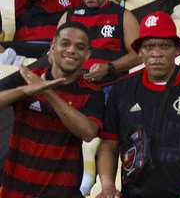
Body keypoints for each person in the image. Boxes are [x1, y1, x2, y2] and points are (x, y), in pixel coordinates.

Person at [96, 12, 180, 198]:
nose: (156, 53)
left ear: (177, 49)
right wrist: (107, 187)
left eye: (164, 46)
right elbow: (108, 145)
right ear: (139, 52)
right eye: (148, 46)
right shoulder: (122, 88)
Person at [0, 22, 104, 197]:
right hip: (16, 189)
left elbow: (88, 132)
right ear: (53, 48)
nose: (71, 50)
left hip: (61, 192)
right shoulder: (27, 77)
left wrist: (48, 93)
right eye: (65, 43)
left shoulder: (92, 92)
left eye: (79, 47)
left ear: (87, 55)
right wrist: (23, 91)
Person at [56, 0, 140, 95]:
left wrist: (109, 68)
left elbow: (139, 54)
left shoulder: (123, 16)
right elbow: (53, 54)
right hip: (72, 88)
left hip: (109, 88)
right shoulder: (68, 17)